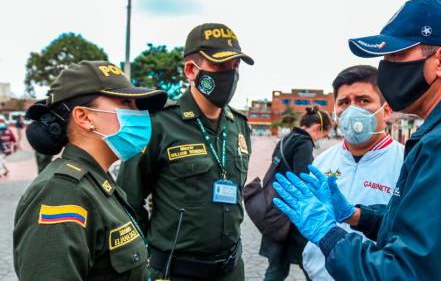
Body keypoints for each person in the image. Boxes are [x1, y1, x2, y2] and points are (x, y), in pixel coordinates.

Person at [273, 0, 441, 280]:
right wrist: (356, 215)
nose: (386, 69)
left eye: (397, 56)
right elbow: (430, 230)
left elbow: (403, 272)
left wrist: (328, 233)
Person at [118, 23, 254, 281]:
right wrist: (151, 252)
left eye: (235, 67)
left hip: (231, 270)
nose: (230, 75)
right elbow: (128, 200)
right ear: (192, 70)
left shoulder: (239, 126)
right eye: (219, 66)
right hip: (176, 271)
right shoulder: (160, 123)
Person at [13, 61, 167, 280]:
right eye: (126, 102)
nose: (139, 113)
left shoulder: (98, 183)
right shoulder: (61, 194)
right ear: (84, 117)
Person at [301, 65, 404, 281]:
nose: (352, 110)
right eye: (344, 102)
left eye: (363, 101)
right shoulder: (322, 161)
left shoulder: (407, 163)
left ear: (386, 110)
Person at [260, 106, 332, 281]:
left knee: (276, 269)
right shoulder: (304, 143)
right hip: (294, 220)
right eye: (324, 134)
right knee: (311, 267)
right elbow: (303, 180)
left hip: (277, 214)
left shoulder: (286, 139)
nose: (322, 138)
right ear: (316, 128)